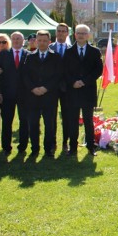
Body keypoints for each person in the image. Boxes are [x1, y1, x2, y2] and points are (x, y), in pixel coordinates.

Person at [63, 24, 103, 157]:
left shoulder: (95, 51)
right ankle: (73, 148)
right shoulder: (68, 52)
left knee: (88, 120)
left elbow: (98, 70)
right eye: (78, 33)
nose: (80, 35)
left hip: (88, 91)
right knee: (73, 121)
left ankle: (91, 147)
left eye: (83, 33)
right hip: (72, 91)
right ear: (75, 35)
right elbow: (64, 71)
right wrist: (73, 82)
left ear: (88, 35)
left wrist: (84, 81)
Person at [22, 30, 63, 157]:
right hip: (33, 97)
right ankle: (35, 149)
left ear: (49, 42)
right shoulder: (30, 56)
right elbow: (25, 76)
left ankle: (48, 149)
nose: (42, 43)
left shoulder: (55, 57)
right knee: (33, 124)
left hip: (49, 96)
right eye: (39, 40)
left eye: (45, 40)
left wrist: (46, 88)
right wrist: (33, 88)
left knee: (49, 124)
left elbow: (58, 76)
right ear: (36, 41)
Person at [0, 31, 29, 155]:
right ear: (11, 40)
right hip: (7, 94)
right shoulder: (4, 54)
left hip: (24, 94)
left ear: (23, 41)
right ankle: (6, 147)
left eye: (19, 39)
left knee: (24, 121)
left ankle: (23, 146)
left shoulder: (28, 55)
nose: (16, 41)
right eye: (14, 39)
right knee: (7, 121)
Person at [49, 23, 71, 152]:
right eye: (59, 31)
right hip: (52, 88)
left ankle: (65, 142)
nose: (61, 33)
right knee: (51, 117)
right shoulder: (49, 48)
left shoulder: (71, 49)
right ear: (56, 33)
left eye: (64, 31)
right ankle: (53, 143)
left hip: (67, 89)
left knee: (67, 117)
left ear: (67, 33)